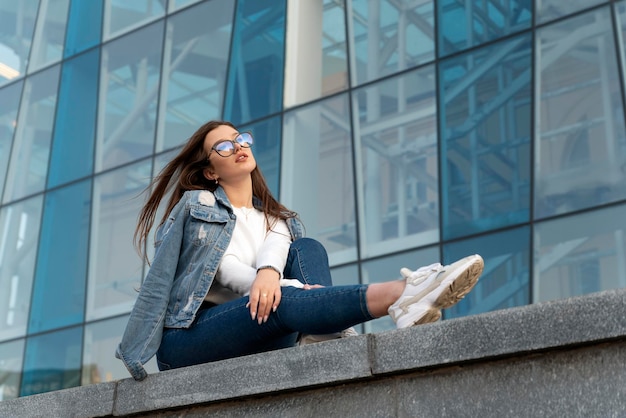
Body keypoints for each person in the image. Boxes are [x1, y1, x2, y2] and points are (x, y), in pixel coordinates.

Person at [116, 120, 484, 381]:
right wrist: (282, 287)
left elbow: (274, 259)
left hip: (256, 328)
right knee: (277, 299)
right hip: (189, 338)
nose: (239, 146)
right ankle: (404, 294)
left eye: (241, 138)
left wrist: (272, 276)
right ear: (211, 171)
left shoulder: (277, 220)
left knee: (307, 247)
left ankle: (319, 332)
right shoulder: (201, 205)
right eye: (224, 146)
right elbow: (221, 268)